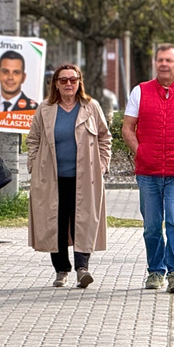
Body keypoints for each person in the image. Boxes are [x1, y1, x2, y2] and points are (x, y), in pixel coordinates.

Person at [121, 44, 174, 294]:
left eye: (169, 60)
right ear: (155, 63)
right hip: (148, 172)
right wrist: (141, 152)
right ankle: (155, 271)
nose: (164, 64)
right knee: (151, 225)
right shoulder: (140, 92)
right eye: (160, 60)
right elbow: (128, 128)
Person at [27, 64, 111, 288]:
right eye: (63, 80)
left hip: (85, 178)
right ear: (55, 83)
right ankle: (61, 270)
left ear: (79, 82)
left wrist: (102, 165)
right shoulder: (45, 109)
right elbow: (33, 140)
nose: (68, 84)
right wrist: (34, 166)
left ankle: (82, 268)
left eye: (73, 80)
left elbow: (104, 137)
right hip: (51, 178)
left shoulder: (90, 107)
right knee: (55, 222)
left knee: (83, 221)